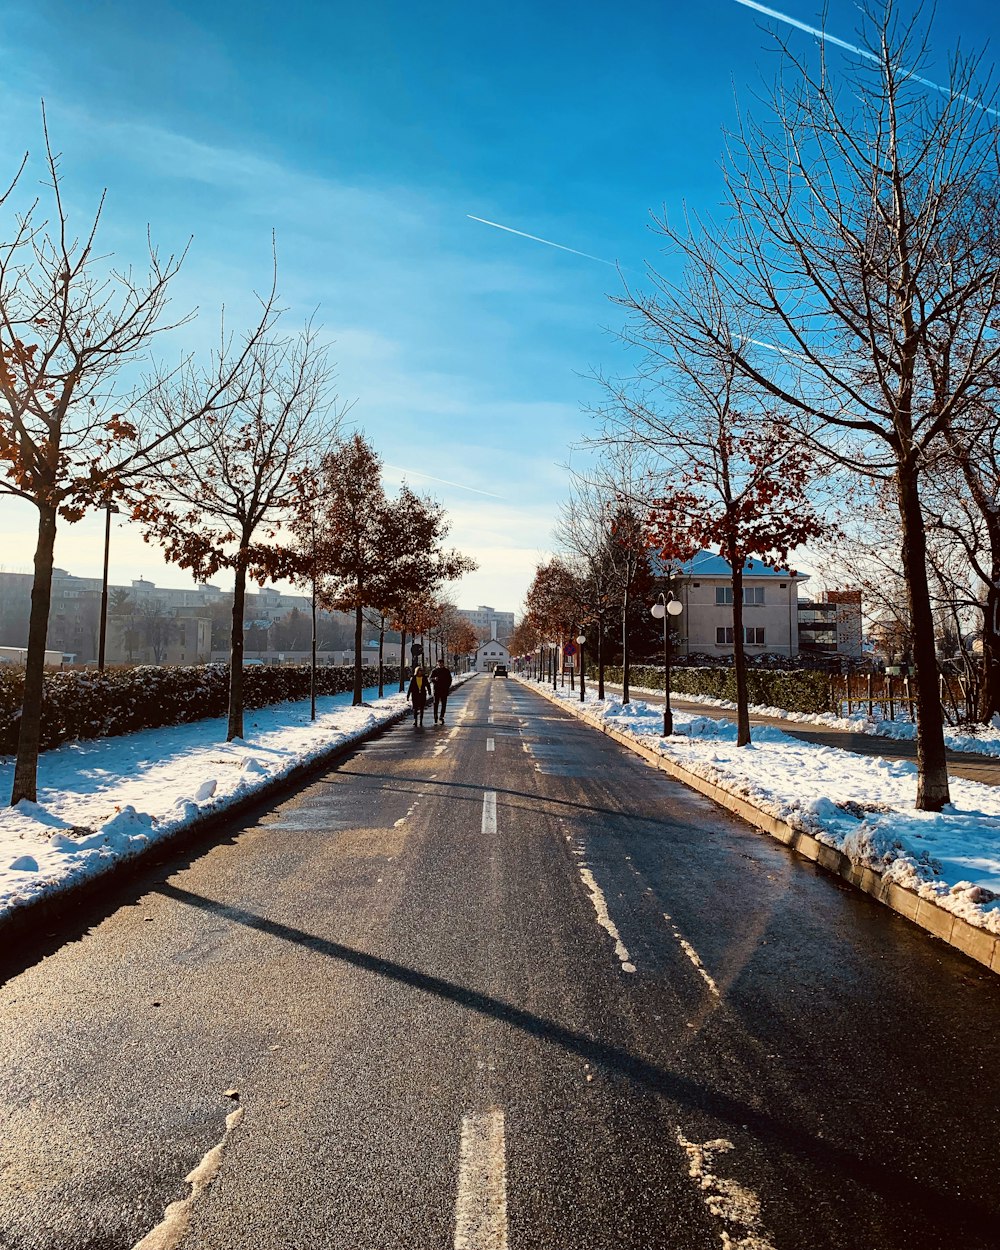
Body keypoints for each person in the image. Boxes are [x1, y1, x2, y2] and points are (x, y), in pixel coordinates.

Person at [429, 658, 453, 723]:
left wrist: (447, 686)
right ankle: (435, 716)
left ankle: (441, 716)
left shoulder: (446, 671)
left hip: (444, 690)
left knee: (443, 704)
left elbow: (450, 679)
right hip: (436, 689)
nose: (440, 664)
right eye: (439, 663)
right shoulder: (434, 671)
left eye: (441, 663)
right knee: (435, 703)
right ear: (437, 663)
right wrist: (434, 678)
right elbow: (430, 679)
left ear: (443, 664)